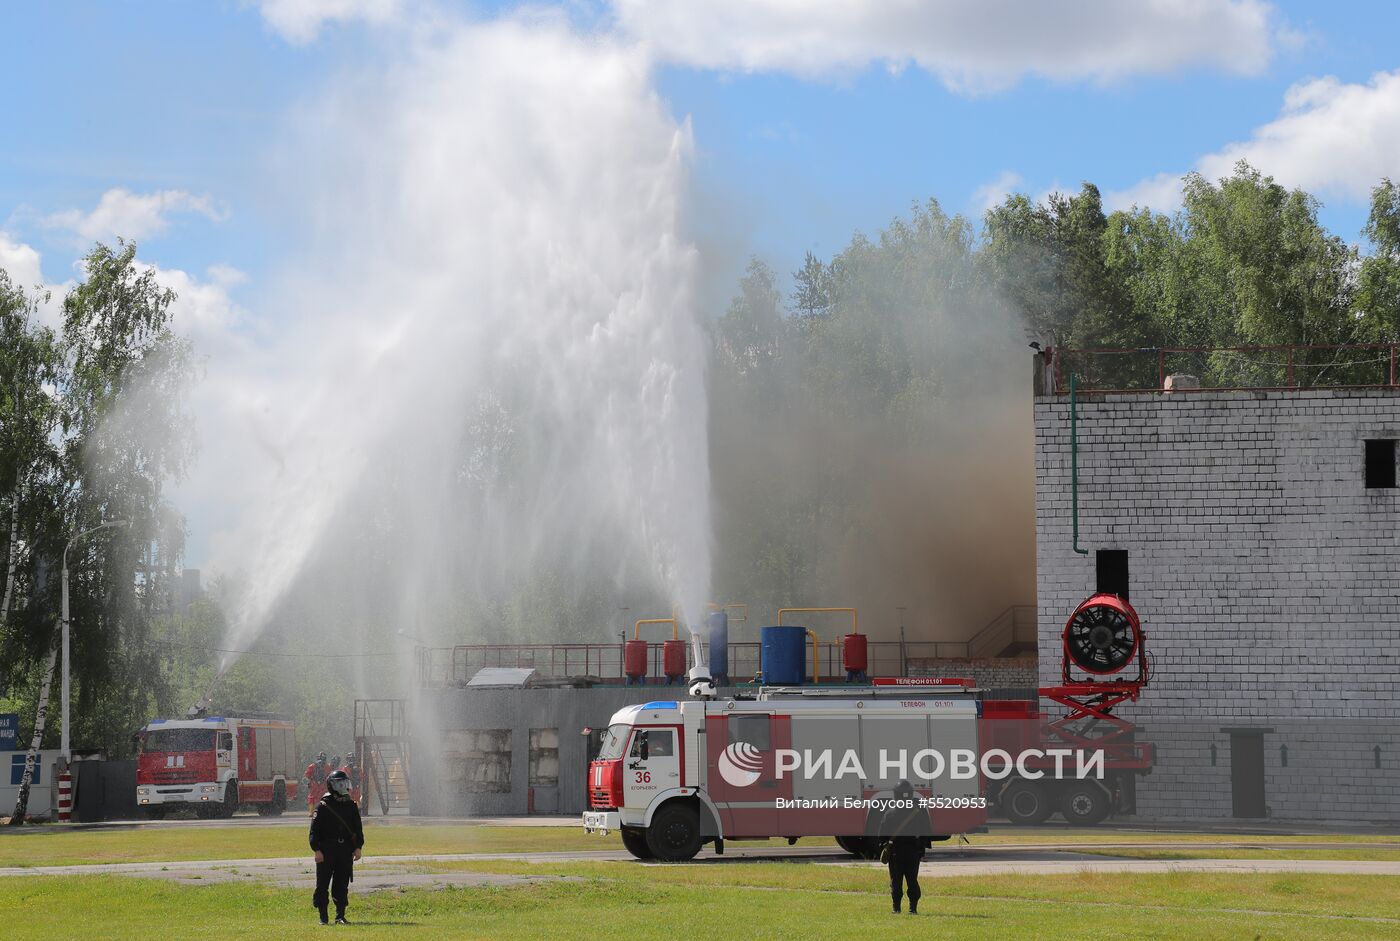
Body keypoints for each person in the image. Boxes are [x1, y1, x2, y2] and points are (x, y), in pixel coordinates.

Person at [309, 769, 364, 926]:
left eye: (345, 783)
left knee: (342, 883)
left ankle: (340, 915)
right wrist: (317, 849)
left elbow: (357, 828)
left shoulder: (351, 806)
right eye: (340, 783)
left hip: (345, 850)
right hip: (326, 850)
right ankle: (323, 917)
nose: (344, 786)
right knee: (322, 885)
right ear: (332, 786)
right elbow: (314, 831)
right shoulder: (323, 806)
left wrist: (358, 847)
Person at [882, 780, 932, 915]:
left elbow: (882, 836)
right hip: (913, 853)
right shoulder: (919, 812)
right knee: (912, 880)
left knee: (896, 881)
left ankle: (896, 908)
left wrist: (886, 847)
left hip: (895, 854)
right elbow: (926, 832)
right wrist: (921, 850)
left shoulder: (889, 813)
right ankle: (912, 909)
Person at [302, 751, 328, 815]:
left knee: (312, 797)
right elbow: (329, 775)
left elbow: (307, 775)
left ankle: (311, 812)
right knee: (322, 797)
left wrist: (308, 782)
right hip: (322, 784)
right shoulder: (327, 766)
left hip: (314, 783)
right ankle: (321, 811)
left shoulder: (312, 765)